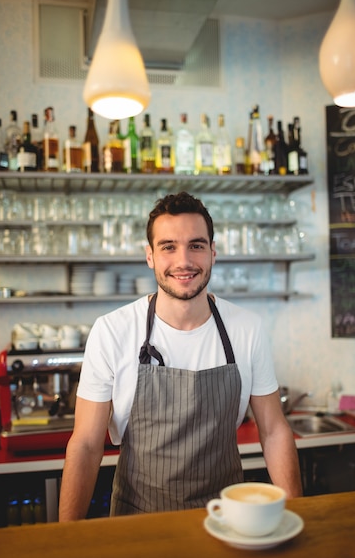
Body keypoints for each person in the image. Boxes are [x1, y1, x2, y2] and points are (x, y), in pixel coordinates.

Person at [59, 191, 302, 520]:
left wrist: (297, 513)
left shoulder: (247, 329)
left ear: (213, 253)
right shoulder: (112, 331)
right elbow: (86, 445)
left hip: (227, 518)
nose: (184, 261)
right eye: (168, 246)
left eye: (197, 245)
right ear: (150, 256)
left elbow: (273, 431)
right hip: (138, 521)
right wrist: (66, 533)